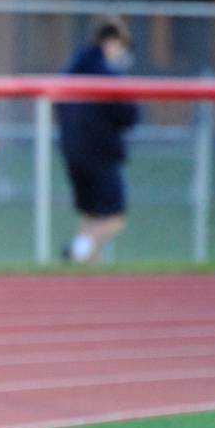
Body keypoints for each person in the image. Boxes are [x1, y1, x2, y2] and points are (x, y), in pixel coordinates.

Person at [57, 15, 139, 264]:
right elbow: (130, 114)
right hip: (101, 154)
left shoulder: (71, 70)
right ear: (112, 42)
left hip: (71, 152)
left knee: (91, 214)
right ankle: (78, 252)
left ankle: (88, 271)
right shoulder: (107, 75)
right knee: (115, 217)